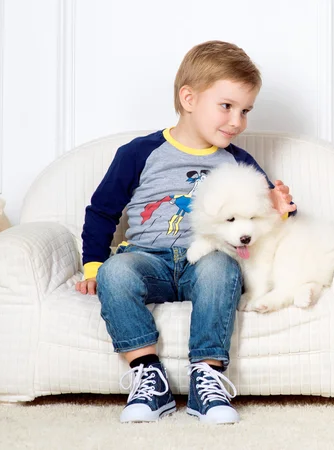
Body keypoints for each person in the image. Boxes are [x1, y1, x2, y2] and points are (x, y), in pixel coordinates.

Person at [75, 40, 296, 424]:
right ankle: (148, 375)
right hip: (149, 259)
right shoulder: (140, 153)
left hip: (207, 259)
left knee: (220, 270)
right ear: (189, 98)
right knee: (116, 271)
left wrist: (282, 210)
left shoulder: (237, 161)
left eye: (245, 111)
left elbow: (260, 218)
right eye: (226, 106)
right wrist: (93, 264)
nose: (237, 121)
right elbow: (102, 211)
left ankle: (206, 377)